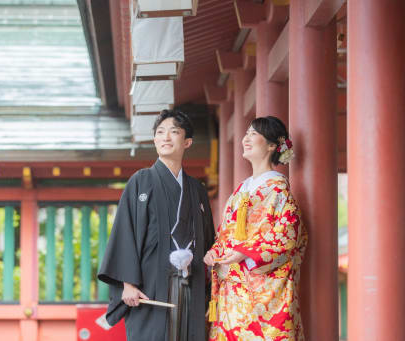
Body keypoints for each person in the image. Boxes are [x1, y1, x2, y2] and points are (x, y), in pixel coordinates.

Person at [98, 109, 215, 341]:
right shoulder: (140, 181)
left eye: (174, 132)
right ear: (154, 140)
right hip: (150, 286)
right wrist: (128, 284)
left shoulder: (196, 189)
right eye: (160, 132)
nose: (166, 137)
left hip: (190, 283)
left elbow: (208, 240)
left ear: (187, 142)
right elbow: (124, 234)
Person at [204, 116, 307, 341]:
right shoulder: (241, 190)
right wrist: (216, 251)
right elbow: (226, 233)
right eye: (246, 133)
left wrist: (245, 253)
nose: (245, 139)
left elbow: (286, 236)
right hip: (232, 291)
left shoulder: (278, 190)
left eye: (253, 134)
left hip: (260, 287)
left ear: (272, 145)